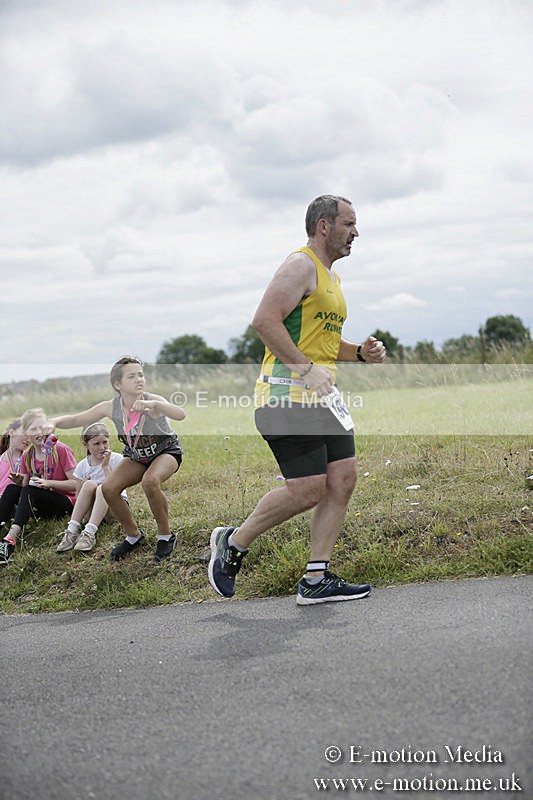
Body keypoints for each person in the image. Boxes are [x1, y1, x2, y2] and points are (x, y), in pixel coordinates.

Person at [208, 194, 386, 604]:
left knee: (343, 480)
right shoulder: (300, 265)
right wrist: (305, 369)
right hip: (286, 396)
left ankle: (317, 578)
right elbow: (264, 321)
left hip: (323, 399)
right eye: (349, 223)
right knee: (308, 489)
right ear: (324, 226)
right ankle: (233, 543)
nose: (355, 232)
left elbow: (321, 342)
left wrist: (359, 352)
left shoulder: (330, 278)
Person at [51, 357, 185, 562]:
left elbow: (180, 414)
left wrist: (155, 404)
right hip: (137, 456)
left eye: (141, 374)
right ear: (118, 384)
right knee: (108, 488)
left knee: (150, 481)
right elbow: (77, 419)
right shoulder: (110, 407)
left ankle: (165, 536)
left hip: (165, 452)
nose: (139, 379)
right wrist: (53, 421)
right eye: (131, 376)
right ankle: (133, 535)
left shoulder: (152, 400)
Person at [0, 408, 77, 564]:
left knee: (29, 490)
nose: (39, 432)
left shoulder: (60, 449)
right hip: (41, 501)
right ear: (26, 434)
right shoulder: (27, 456)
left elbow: (76, 484)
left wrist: (49, 483)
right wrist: (18, 482)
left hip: (65, 502)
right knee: (11, 489)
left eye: (42, 427)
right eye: (33, 429)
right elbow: (25, 486)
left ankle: (10, 540)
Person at [56, 423, 128, 553]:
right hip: (92, 511)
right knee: (89, 484)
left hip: (116, 508)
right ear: (86, 445)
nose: (102, 447)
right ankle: (71, 532)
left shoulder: (117, 459)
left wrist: (106, 467)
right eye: (96, 444)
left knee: (103, 488)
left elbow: (116, 489)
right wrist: (83, 486)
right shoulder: (82, 466)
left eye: (105, 442)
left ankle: (89, 533)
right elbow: (78, 499)